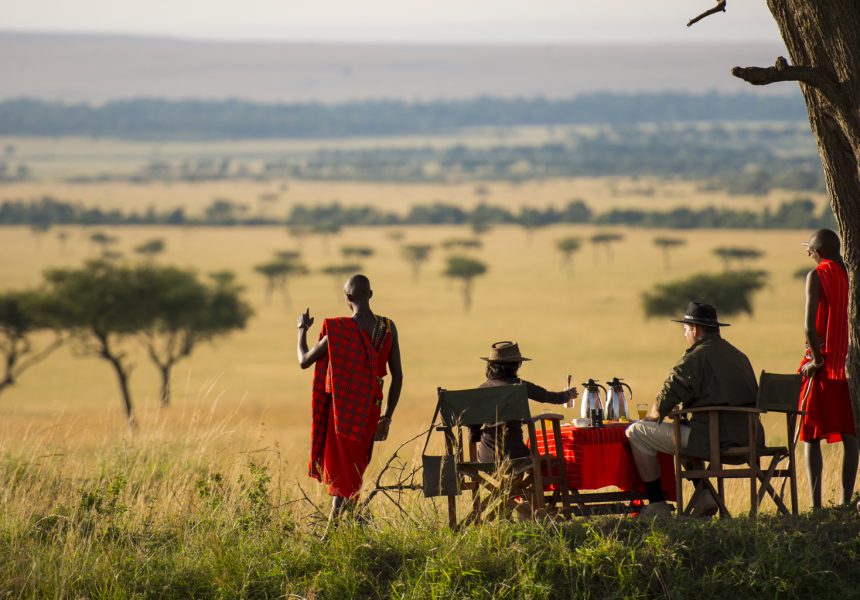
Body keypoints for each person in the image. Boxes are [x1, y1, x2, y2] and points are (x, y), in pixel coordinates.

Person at [626, 302, 758, 518]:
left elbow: (668, 394)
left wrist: (652, 417)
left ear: (695, 329)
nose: (685, 334)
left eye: (685, 329)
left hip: (715, 440)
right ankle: (703, 494)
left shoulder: (697, 356)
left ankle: (657, 504)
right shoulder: (739, 356)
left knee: (637, 432)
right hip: (749, 438)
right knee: (685, 427)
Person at [297, 274, 403, 531]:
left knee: (346, 472)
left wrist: (302, 330)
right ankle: (356, 524)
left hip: (344, 412)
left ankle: (332, 532)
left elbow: (304, 360)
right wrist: (387, 417)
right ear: (371, 294)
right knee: (353, 469)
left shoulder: (338, 330)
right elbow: (398, 376)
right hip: (371, 410)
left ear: (347, 298)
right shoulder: (388, 328)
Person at [798, 228, 857, 508]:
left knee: (811, 435)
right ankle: (846, 502)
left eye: (809, 251)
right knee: (851, 435)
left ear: (817, 253)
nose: (809, 255)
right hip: (850, 366)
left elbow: (809, 327)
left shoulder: (817, 275)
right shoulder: (851, 274)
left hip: (824, 366)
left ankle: (817, 506)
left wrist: (816, 360)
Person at [469, 341, 577, 463]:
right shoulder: (520, 386)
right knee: (547, 460)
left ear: (490, 365)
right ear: (515, 366)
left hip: (486, 456)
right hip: (515, 454)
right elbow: (548, 397)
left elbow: (473, 429)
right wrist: (568, 394)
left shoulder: (481, 390)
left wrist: (480, 435)